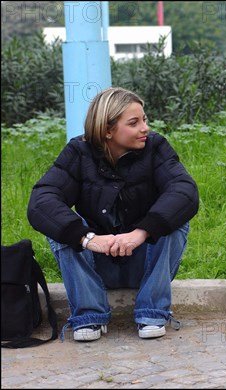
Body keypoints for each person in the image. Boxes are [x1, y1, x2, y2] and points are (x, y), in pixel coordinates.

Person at [27, 87, 199, 342]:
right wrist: (88, 239)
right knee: (62, 228)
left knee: (174, 219)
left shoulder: (156, 147)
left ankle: (152, 312)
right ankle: (89, 316)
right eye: (134, 123)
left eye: (145, 120)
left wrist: (141, 232)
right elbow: (41, 202)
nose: (145, 128)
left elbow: (185, 191)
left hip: (144, 261)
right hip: (97, 263)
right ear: (107, 130)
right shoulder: (78, 152)